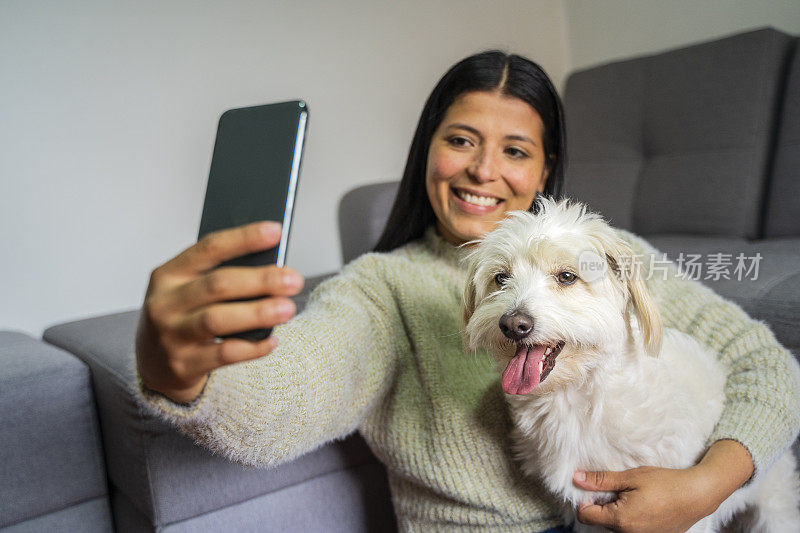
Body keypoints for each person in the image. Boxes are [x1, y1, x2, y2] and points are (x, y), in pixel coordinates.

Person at [135, 51, 800, 532]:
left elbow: (767, 366)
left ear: (545, 169)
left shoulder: (607, 256)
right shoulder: (384, 286)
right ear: (428, 150)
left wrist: (703, 487)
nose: (484, 169)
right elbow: (288, 399)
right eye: (461, 140)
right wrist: (184, 374)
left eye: (515, 150)